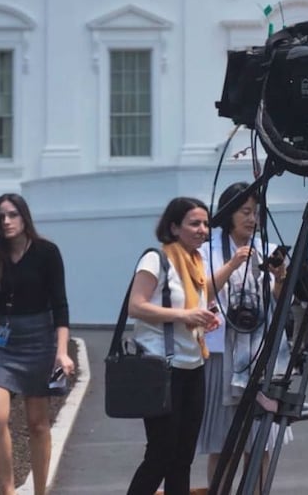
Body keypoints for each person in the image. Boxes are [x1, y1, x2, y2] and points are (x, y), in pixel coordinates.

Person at [0, 193, 73, 495]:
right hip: (3, 343)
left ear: (24, 217)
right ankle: (8, 490)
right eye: (1, 216)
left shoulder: (47, 252)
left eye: (12, 214)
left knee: (38, 424)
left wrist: (62, 352)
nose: (6, 221)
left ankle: (41, 491)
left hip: (42, 340)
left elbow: (61, 305)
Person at [197, 182, 292, 492]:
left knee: (260, 443)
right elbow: (200, 294)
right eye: (245, 211)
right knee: (222, 443)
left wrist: (280, 280)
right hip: (221, 354)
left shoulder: (266, 249)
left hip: (259, 355)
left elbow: (281, 303)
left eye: (257, 212)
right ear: (228, 214)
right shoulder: (206, 250)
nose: (252, 219)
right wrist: (233, 263)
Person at [125, 197, 222, 495]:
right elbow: (135, 306)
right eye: (194, 223)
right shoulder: (157, 259)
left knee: (183, 458)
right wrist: (186, 314)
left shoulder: (196, 262)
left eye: (206, 223)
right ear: (173, 227)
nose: (203, 229)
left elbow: (193, 307)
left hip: (193, 365)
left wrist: (205, 317)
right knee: (160, 455)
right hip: (161, 368)